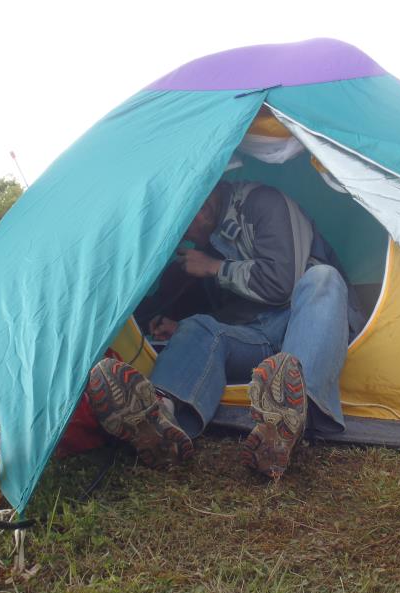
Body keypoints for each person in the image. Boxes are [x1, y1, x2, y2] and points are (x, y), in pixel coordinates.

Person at [85, 180, 364, 478]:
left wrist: (214, 267)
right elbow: (237, 312)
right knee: (199, 326)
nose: (185, 235)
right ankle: (159, 417)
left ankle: (292, 416)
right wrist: (181, 327)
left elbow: (282, 283)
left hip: (310, 324)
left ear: (204, 202)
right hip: (260, 338)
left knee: (323, 277)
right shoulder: (211, 241)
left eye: (184, 224)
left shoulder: (264, 203)